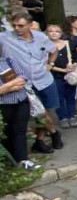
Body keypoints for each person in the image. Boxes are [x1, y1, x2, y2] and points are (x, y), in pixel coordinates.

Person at [0, 12, 63, 152]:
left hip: (44, 80)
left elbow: (54, 50)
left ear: (30, 25)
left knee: (45, 110)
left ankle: (40, 140)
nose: (17, 28)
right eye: (14, 26)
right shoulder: (5, 38)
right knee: (39, 112)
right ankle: (53, 133)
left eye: (21, 26)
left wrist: (50, 64)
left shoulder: (40, 37)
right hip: (24, 84)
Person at [0, 54, 39, 170]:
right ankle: (12, 161)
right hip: (4, 104)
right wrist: (12, 85)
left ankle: (23, 160)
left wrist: (5, 87)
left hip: (21, 101)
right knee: (7, 133)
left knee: (20, 131)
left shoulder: (7, 60)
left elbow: (23, 77)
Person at [45, 24, 77, 130]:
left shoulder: (68, 44)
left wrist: (73, 65)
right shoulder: (45, 47)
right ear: (47, 33)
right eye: (51, 31)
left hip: (69, 75)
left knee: (70, 96)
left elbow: (76, 57)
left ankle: (72, 115)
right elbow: (46, 64)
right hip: (55, 75)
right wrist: (62, 70)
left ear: (61, 33)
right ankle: (62, 117)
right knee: (59, 97)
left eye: (57, 31)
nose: (54, 33)